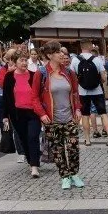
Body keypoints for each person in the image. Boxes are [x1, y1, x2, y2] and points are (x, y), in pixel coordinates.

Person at [33, 41, 83, 190]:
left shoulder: (69, 72)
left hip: (70, 118)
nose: (62, 54)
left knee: (73, 148)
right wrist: (42, 114)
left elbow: (75, 93)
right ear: (49, 55)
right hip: (51, 119)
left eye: (62, 51)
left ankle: (74, 174)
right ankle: (65, 177)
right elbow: (34, 97)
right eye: (58, 52)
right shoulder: (41, 73)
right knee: (58, 150)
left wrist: (78, 109)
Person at [3, 49, 42, 178]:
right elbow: (6, 97)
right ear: (15, 62)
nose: (24, 63)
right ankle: (31, 161)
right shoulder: (9, 77)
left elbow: (40, 94)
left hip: (33, 112)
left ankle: (34, 166)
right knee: (24, 139)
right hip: (17, 113)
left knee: (33, 137)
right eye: (21, 60)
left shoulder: (34, 75)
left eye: (26, 60)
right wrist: (5, 116)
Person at [69, 39, 108, 146]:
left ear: (81, 47)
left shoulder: (75, 60)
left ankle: (88, 140)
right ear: (90, 47)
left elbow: (73, 77)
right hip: (97, 90)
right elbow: (103, 77)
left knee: (85, 115)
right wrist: (98, 82)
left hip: (82, 91)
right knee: (103, 113)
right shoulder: (97, 60)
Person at [0, 48, 26, 162]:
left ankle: (29, 150)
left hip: (25, 104)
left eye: (11, 58)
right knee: (16, 130)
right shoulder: (3, 71)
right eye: (8, 58)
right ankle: (21, 152)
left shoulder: (25, 69)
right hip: (13, 106)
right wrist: (9, 74)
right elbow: (2, 86)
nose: (10, 61)